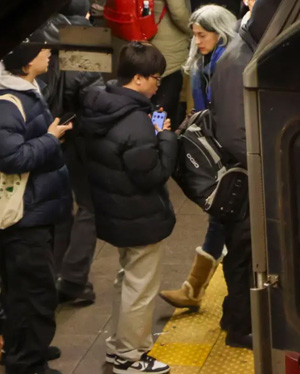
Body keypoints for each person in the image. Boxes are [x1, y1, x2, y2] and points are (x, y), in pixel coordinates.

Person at [79, 42, 177, 374]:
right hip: (140, 215)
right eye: (155, 78)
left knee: (127, 279)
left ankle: (118, 347)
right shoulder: (136, 123)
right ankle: (131, 356)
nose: (158, 84)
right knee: (140, 287)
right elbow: (152, 175)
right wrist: (165, 137)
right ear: (137, 78)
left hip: (113, 211)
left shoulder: (100, 104)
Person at [158, 4, 238, 313]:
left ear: (221, 33)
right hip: (219, 148)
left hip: (230, 151)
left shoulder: (226, 64)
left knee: (222, 216)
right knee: (221, 216)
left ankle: (196, 289)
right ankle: (195, 288)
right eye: (195, 36)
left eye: (202, 35)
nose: (197, 42)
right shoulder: (208, 61)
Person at [0, 41, 73, 374]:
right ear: (26, 61)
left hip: (37, 208)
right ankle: (27, 364)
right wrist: (50, 138)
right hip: (24, 217)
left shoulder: (29, 89)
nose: (49, 54)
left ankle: (31, 349)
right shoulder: (8, 103)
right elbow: (11, 157)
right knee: (31, 294)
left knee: (30, 291)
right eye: (43, 50)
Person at [37, 0, 104, 305]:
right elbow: (94, 94)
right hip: (78, 131)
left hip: (46, 132)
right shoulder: (82, 32)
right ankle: (76, 280)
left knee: (59, 207)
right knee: (90, 205)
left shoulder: (38, 31)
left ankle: (49, 279)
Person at [150, 0, 192, 131]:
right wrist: (194, 29)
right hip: (168, 47)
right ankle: (161, 141)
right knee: (165, 104)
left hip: (140, 38)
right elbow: (178, 12)